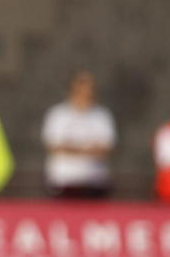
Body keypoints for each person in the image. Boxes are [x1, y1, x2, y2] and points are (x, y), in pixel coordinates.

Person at [42, 71, 117, 199]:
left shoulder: (102, 116)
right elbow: (54, 147)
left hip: (95, 183)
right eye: (81, 90)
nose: (85, 94)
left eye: (89, 91)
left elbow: (106, 149)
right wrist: (88, 149)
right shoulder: (58, 115)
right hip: (63, 182)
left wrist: (71, 147)